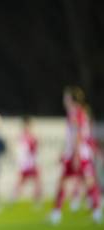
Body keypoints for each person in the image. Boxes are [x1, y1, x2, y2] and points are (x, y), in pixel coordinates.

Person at [50, 86, 102, 224]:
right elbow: (79, 136)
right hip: (79, 154)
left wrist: (76, 156)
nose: (64, 99)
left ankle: (57, 213)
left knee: (68, 182)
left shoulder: (75, 113)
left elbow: (78, 135)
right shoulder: (80, 113)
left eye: (66, 97)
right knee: (88, 182)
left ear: (71, 99)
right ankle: (96, 211)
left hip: (78, 154)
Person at [11, 116, 42, 206]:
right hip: (27, 163)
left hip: (30, 162)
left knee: (36, 181)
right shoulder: (24, 137)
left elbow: (34, 149)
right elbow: (23, 150)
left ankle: (36, 200)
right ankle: (14, 197)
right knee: (23, 181)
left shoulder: (30, 137)